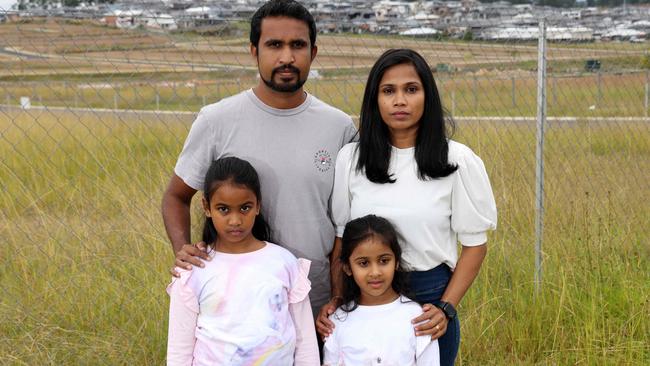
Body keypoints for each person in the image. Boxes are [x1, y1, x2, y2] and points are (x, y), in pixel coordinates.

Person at [161, 0, 356, 316]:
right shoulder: (216, 120)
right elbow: (175, 197)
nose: (287, 57)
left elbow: (346, 223)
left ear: (314, 52)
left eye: (298, 45)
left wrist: (339, 293)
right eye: (274, 45)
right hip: (236, 305)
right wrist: (183, 250)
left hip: (317, 303)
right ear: (254, 51)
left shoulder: (338, 127)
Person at [317, 49, 497, 365]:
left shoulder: (457, 161)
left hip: (429, 301)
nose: (400, 101)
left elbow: (474, 246)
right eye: (389, 91)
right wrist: (337, 297)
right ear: (375, 99)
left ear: (427, 96)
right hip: (364, 301)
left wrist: (446, 307)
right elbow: (342, 240)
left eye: (411, 89)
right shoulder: (351, 159)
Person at [166, 157, 319, 365]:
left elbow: (305, 343)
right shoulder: (193, 270)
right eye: (224, 209)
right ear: (207, 207)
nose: (235, 220)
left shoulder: (284, 263)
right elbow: (179, 352)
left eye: (245, 208)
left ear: (258, 205)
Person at [322, 215, 439, 366]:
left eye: (384, 261)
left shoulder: (418, 318)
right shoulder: (337, 322)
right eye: (364, 263)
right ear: (348, 268)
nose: (375, 272)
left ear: (396, 262)